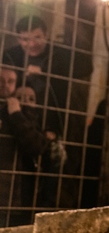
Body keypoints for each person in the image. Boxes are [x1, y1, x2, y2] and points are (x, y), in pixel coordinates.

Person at [0, 67, 50, 226]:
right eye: (1, 80)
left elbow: (37, 146)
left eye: (10, 81)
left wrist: (16, 114)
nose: (5, 85)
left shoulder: (24, 115)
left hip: (17, 194)